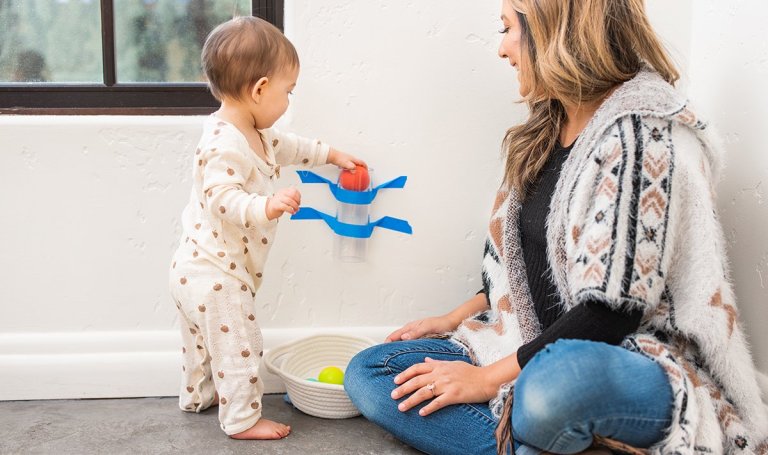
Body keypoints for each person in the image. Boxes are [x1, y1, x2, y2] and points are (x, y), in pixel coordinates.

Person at [344, 1, 768, 454]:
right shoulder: (544, 131)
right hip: (529, 346)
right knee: (372, 372)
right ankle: (532, 444)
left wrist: (486, 379)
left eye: (508, 29)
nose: (501, 49)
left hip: (626, 362)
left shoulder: (644, 135)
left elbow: (611, 312)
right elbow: (516, 275)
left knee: (553, 387)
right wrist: (452, 320)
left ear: (553, 29)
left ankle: (528, 428)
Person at [168, 16, 364, 440]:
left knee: (202, 346)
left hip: (194, 266)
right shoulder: (223, 142)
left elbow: (292, 147)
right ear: (259, 89)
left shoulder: (255, 131)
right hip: (217, 276)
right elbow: (221, 197)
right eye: (287, 91)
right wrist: (266, 206)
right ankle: (241, 419)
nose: (288, 101)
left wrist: (332, 155)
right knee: (239, 347)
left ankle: (198, 395)